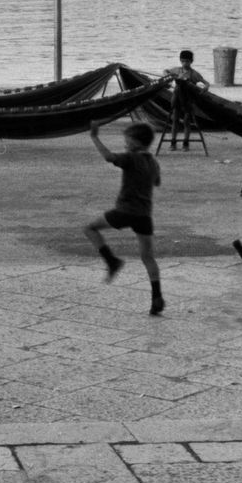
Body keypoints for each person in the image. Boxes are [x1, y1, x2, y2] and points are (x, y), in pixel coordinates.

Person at [83, 120, 165, 315]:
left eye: (127, 140)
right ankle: (157, 296)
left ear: (136, 142)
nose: (125, 144)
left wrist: (95, 137)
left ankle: (112, 261)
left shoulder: (130, 158)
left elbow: (109, 157)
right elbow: (157, 182)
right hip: (145, 215)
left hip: (125, 211)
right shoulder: (153, 162)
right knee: (148, 257)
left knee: (89, 228)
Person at [163, 49, 209, 151]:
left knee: (186, 121)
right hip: (177, 99)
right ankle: (173, 142)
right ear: (180, 60)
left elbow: (206, 83)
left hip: (188, 100)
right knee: (174, 120)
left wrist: (206, 87)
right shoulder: (177, 70)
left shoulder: (194, 74)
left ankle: (185, 143)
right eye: (183, 61)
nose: (185, 63)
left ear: (191, 61)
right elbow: (165, 71)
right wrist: (166, 76)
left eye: (187, 61)